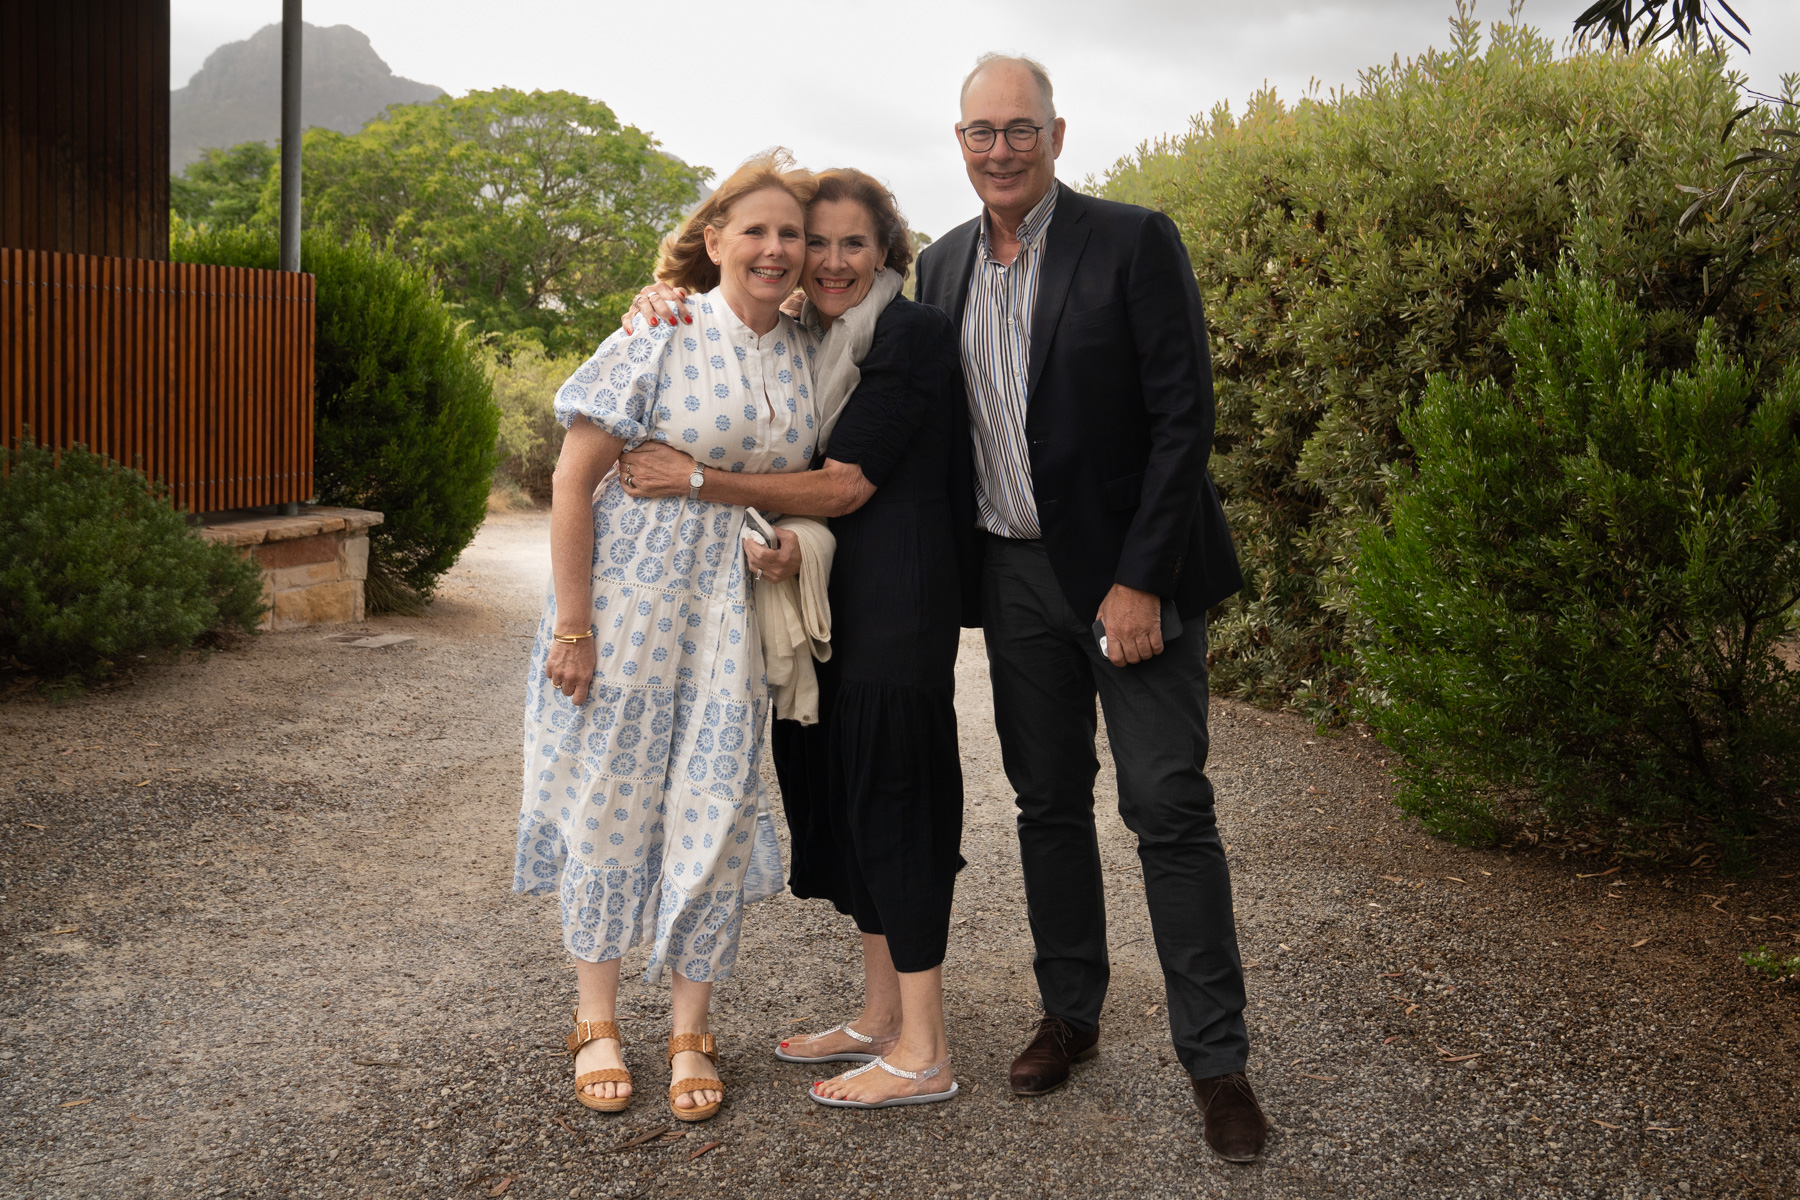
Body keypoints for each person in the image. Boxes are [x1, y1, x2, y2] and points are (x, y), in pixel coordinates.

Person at [913, 54, 1268, 1163]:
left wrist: (1142, 578)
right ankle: (1070, 1014)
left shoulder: (1132, 239)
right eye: (982, 131)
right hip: (1012, 579)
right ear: (958, 141)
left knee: (1168, 808)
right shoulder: (939, 265)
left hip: (1130, 579)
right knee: (1047, 803)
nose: (1001, 149)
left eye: (1021, 129)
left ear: (1057, 136)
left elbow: (1183, 417)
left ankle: (1217, 1063)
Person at [617, 168, 970, 1108]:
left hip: (899, 605)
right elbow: (731, 335)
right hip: (832, 603)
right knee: (849, 803)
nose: (829, 260)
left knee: (898, 807)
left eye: (853, 243)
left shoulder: (910, 334)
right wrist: (665, 297)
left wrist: (695, 480)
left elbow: (847, 485)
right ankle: (881, 1014)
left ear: (886, 252)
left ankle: (924, 1051)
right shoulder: (807, 342)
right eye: (818, 243)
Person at [513, 151, 820, 1124]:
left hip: (736, 623)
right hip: (632, 608)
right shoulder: (662, 331)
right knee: (615, 798)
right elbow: (572, 480)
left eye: (793, 233)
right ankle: (595, 1020)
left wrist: (784, 545)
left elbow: (803, 489)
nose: (775, 248)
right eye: (756, 229)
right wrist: (573, 622)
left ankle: (692, 1027)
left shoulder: (814, 351)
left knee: (718, 805)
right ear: (716, 240)